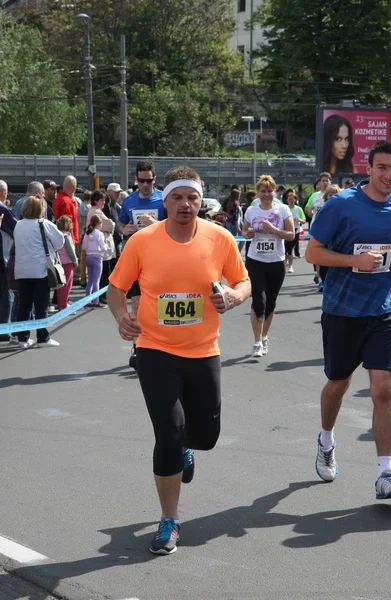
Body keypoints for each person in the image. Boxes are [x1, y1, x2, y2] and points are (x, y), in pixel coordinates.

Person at [107, 166, 250, 555]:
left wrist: (234, 298)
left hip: (204, 350)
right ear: (164, 201)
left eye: (192, 197)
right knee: (168, 433)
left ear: (201, 201)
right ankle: (169, 519)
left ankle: (188, 448)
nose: (185, 204)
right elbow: (116, 288)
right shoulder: (143, 241)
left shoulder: (219, 238)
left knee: (205, 436)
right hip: (155, 349)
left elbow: (243, 281)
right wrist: (122, 317)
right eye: (177, 197)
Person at [305, 140, 391, 500]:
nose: (389, 175)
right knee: (338, 384)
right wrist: (354, 261)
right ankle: (326, 439)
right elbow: (311, 252)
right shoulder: (341, 204)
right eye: (382, 167)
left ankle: (384, 474)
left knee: (382, 390)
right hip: (342, 310)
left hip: (383, 309)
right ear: (369, 168)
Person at [116, 160, 167, 369]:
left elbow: (175, 224)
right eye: (141, 181)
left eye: (148, 180)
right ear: (136, 179)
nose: (144, 184)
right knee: (136, 302)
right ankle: (139, 347)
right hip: (136, 257)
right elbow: (120, 222)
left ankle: (163, 343)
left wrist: (156, 225)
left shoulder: (163, 199)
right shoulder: (128, 201)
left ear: (154, 179)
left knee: (160, 301)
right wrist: (123, 230)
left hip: (160, 258)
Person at [242, 175, 295, 357]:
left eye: (269, 191)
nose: (266, 195)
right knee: (259, 300)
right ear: (257, 193)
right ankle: (257, 342)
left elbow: (291, 235)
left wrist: (273, 230)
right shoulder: (251, 210)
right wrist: (248, 233)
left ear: (275, 192)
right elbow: (244, 231)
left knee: (270, 302)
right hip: (255, 260)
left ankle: (264, 337)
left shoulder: (283, 209)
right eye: (262, 191)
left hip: (276, 261)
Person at [13, 196, 64, 348]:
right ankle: (43, 337)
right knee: (41, 305)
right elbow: (60, 242)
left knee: (24, 304)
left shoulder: (18, 225)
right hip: (40, 269)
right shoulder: (44, 223)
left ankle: (22, 337)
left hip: (22, 269)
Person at [87, 190, 116, 304]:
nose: (104, 202)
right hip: (100, 249)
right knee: (103, 273)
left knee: (98, 274)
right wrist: (112, 223)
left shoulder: (94, 211)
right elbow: (109, 224)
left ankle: (99, 296)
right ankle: (101, 296)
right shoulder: (96, 212)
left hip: (94, 249)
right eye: (101, 200)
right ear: (95, 201)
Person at [305, 172, 332, 290]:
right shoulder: (314, 196)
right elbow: (307, 209)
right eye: (323, 180)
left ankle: (329, 278)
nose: (325, 182)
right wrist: (309, 211)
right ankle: (320, 278)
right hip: (317, 229)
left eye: (327, 180)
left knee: (331, 254)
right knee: (318, 254)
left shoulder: (335, 194)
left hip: (332, 229)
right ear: (319, 183)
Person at [0, 193, 17, 342]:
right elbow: (15, 229)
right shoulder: (3, 209)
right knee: (6, 295)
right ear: (3, 193)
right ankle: (4, 330)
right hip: (3, 259)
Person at [82, 214, 108, 308]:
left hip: (89, 257)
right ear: (99, 224)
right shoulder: (99, 234)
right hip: (97, 258)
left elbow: (84, 247)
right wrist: (106, 247)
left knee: (90, 280)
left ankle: (87, 300)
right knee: (96, 281)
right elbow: (102, 246)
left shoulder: (87, 233)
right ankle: (96, 301)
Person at [56, 216, 78, 311]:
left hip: (59, 262)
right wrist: (75, 261)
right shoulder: (67, 236)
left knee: (60, 284)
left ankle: (60, 302)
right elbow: (70, 251)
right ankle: (63, 304)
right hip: (67, 262)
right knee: (67, 284)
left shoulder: (57, 235)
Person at [53, 176, 80, 245]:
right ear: (74, 185)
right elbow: (67, 223)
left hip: (61, 237)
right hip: (68, 239)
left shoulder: (59, 198)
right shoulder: (66, 201)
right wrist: (72, 241)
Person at [284, 190, 306, 273]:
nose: (291, 201)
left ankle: (290, 266)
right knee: (285, 249)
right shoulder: (284, 208)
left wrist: (298, 219)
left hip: (295, 230)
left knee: (290, 249)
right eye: (289, 199)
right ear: (287, 200)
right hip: (285, 230)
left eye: (292, 199)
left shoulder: (298, 209)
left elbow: (304, 220)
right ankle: (285, 262)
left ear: (295, 200)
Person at [78, 190, 92, 288]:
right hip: (87, 233)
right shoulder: (90, 208)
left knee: (82, 258)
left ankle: (82, 278)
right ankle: (87, 278)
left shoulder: (80, 205)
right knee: (88, 256)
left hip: (80, 232)